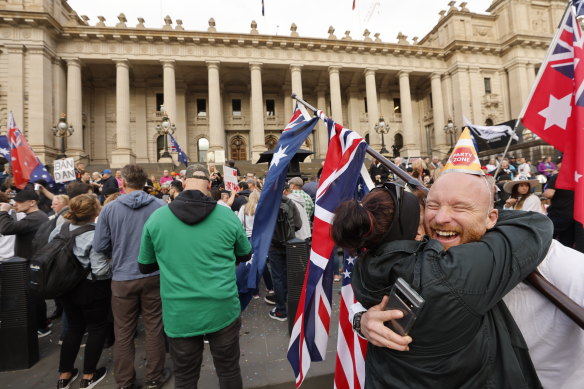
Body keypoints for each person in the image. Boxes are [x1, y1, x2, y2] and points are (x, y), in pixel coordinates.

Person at [333, 173, 553, 388]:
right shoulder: (450, 272)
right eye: (431, 207)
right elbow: (536, 225)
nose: (439, 219)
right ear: (417, 231)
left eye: (459, 207)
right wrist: (478, 215)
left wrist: (359, 320)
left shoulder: (364, 265)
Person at [138, 163, 251, 389]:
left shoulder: (157, 218)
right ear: (209, 185)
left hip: (180, 311)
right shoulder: (226, 216)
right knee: (229, 370)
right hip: (222, 307)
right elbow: (245, 253)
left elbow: (145, 266)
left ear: (183, 183)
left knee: (186, 378)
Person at [93, 165, 169, 389]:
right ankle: (154, 377)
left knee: (123, 331)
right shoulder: (160, 205)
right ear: (145, 182)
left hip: (123, 277)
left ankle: (125, 381)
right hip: (153, 274)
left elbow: (100, 246)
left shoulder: (110, 209)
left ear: (122, 183)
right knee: (154, 327)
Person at [55, 194, 111, 389]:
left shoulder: (60, 227)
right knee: (96, 328)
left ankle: (64, 374)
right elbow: (100, 270)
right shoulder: (97, 234)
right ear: (95, 211)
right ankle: (88, 375)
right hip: (90, 287)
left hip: (64, 286)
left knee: (74, 328)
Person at [0, 189, 51, 336]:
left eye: (20, 201)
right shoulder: (35, 216)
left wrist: (3, 212)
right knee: (34, 296)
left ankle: (42, 327)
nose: (16, 204)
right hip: (31, 260)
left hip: (32, 261)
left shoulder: (36, 217)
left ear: (32, 202)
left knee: (35, 297)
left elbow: (6, 228)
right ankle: (42, 323)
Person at [544, 167, 584, 252]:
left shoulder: (557, 177)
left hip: (557, 216)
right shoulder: (580, 177)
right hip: (574, 218)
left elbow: (548, 194)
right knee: (566, 248)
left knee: (546, 244)